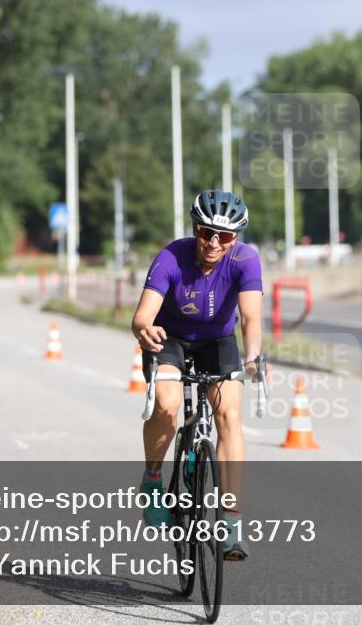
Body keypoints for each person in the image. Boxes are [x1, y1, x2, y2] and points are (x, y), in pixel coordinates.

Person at [131, 190, 263, 561]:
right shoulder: (171, 255)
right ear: (195, 228)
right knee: (168, 407)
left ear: (236, 238)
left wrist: (252, 355)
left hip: (217, 341)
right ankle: (153, 479)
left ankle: (231, 523)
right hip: (168, 339)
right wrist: (144, 329)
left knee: (228, 415)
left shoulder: (245, 260)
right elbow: (142, 316)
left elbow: (251, 318)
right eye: (207, 233)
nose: (214, 243)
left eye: (225, 236)